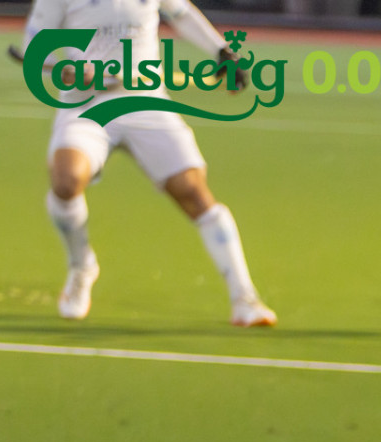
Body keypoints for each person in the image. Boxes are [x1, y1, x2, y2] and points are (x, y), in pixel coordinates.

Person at [23, 0, 275, 325]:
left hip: (146, 100)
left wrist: (222, 51)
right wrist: (63, 69)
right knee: (65, 181)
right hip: (85, 104)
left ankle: (245, 299)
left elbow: (181, 13)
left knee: (194, 192)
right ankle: (81, 266)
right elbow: (34, 43)